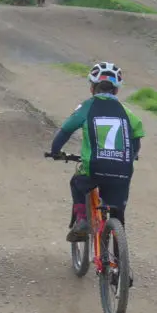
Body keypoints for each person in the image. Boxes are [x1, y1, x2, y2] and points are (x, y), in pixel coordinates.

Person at [49, 62, 144, 245]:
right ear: (116, 91)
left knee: (77, 183)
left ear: (92, 88)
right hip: (122, 171)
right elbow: (136, 139)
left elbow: (66, 130)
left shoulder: (87, 107)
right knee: (118, 213)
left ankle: (83, 220)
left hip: (94, 168)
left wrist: (55, 152)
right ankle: (119, 267)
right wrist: (131, 157)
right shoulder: (127, 112)